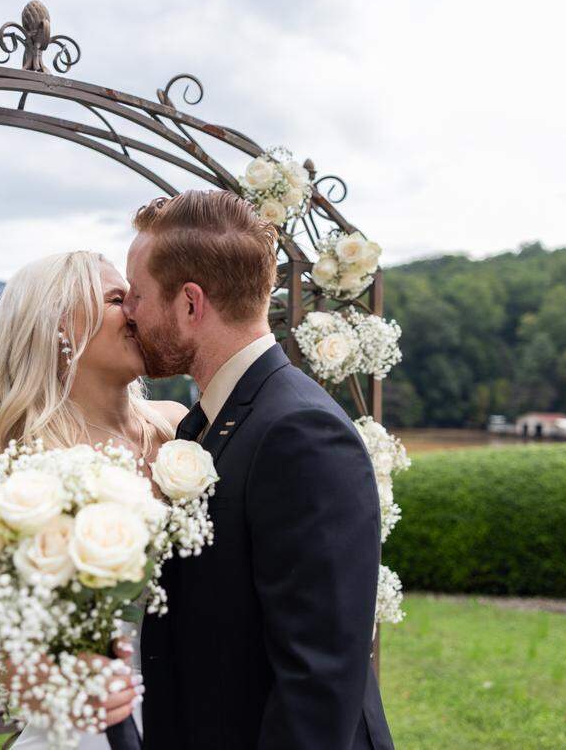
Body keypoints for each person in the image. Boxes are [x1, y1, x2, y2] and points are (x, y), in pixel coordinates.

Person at [115, 189, 394, 749]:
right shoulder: (210, 421)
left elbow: (317, 681)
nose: (129, 313)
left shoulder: (300, 432)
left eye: (139, 296)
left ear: (190, 304)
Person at [0, 250, 186, 749]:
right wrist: (62, 689)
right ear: (61, 326)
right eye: (117, 299)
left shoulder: (178, 427)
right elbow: (14, 656)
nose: (137, 312)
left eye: (136, 298)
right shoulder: (33, 472)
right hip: (101, 727)